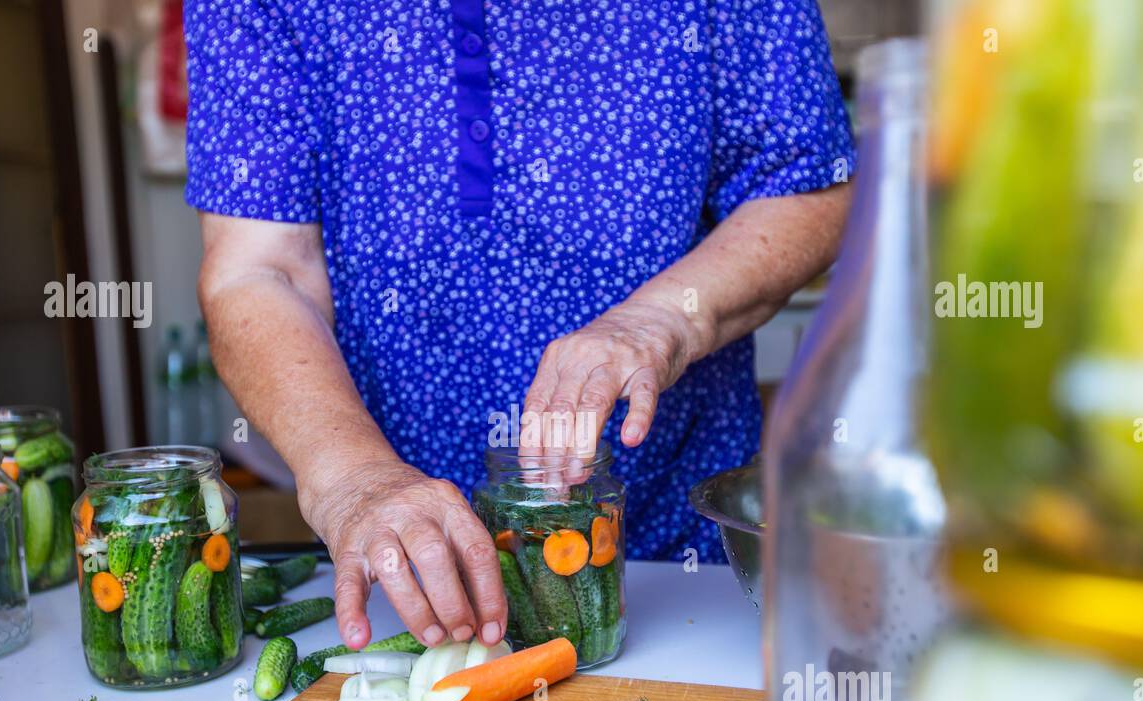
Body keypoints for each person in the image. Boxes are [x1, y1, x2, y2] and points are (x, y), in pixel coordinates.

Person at [185, 0, 854, 651]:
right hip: (402, 587)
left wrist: (658, 319)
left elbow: (807, 186)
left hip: (681, 583)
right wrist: (354, 479)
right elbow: (258, 273)